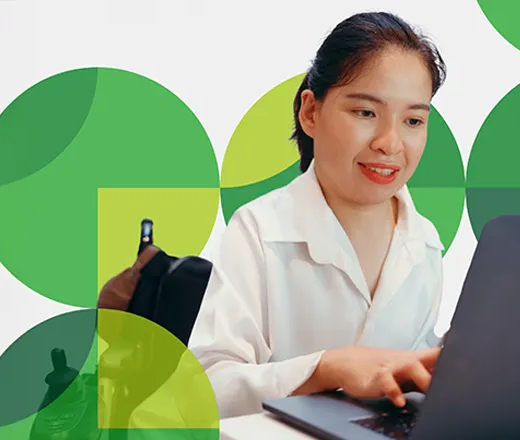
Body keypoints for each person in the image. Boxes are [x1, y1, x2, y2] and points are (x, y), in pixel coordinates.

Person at [188, 11, 448, 420]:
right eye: (365, 113)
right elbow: (207, 389)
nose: (389, 143)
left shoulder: (424, 241)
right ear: (311, 113)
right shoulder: (259, 229)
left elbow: (406, 373)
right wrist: (324, 368)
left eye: (413, 120)